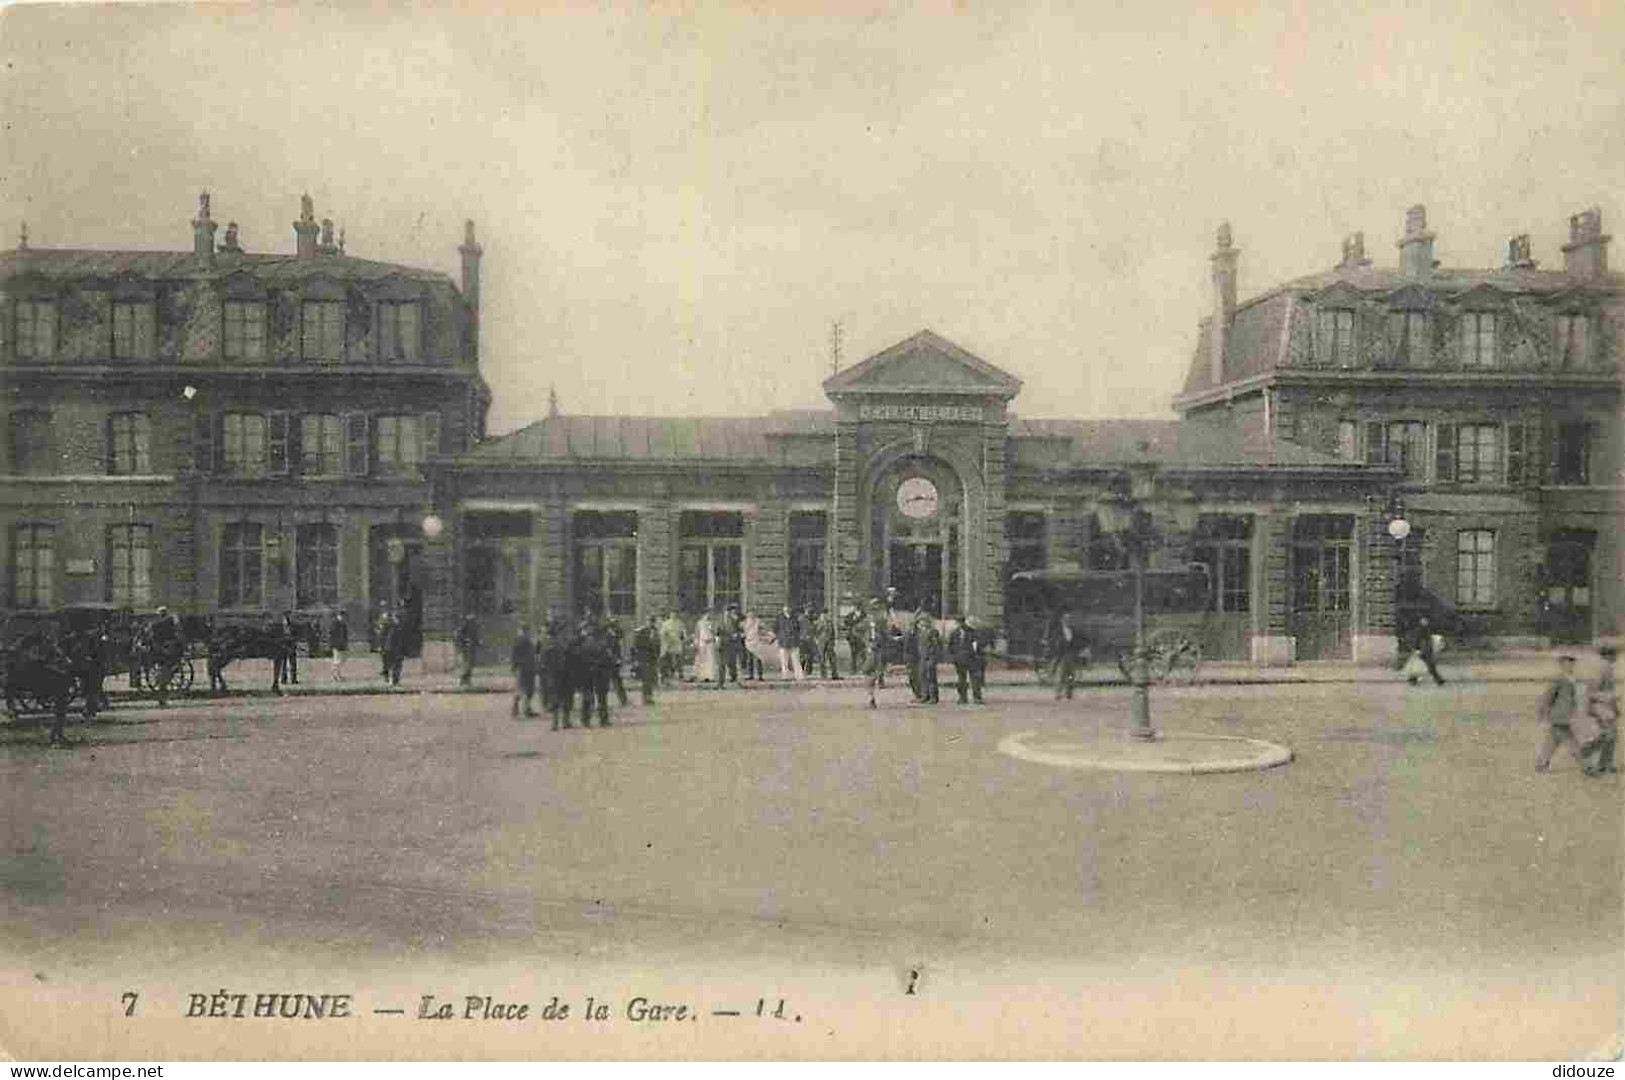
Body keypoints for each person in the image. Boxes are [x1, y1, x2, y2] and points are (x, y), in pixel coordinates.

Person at [1535, 654, 1587, 774]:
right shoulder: (1558, 679)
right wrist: (1542, 714)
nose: (1570, 665)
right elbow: (1547, 697)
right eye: (1567, 662)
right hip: (1559, 717)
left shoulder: (1572, 678)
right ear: (1562, 664)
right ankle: (1585, 765)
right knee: (1572, 742)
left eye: (1572, 662)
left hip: (1565, 716)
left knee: (1552, 742)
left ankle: (1541, 764)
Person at [1584, 646, 1618, 776]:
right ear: (1608, 655)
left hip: (1605, 707)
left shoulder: (1606, 667)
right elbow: (1591, 692)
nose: (1616, 657)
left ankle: (1604, 764)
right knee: (1609, 735)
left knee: (1610, 736)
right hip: (1601, 707)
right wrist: (1608, 697)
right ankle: (1592, 759)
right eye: (1614, 654)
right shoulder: (1602, 669)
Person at [949, 614, 987, 704]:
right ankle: (963, 698)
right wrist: (954, 657)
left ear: (963, 622)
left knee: (975, 680)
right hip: (959, 660)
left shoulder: (972, 632)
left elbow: (977, 645)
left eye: (960, 622)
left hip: (972, 659)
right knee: (961, 680)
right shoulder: (954, 633)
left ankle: (977, 698)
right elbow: (951, 646)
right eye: (958, 622)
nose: (959, 624)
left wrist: (976, 654)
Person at [1052, 611, 1087, 700]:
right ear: (1062, 620)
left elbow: (1080, 640)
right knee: (1061, 675)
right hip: (1062, 655)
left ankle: (1069, 694)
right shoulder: (1058, 631)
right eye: (1066, 619)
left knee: (1071, 676)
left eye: (1069, 619)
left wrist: (1079, 649)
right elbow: (1055, 642)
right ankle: (1058, 693)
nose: (1068, 621)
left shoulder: (1074, 630)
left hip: (1071, 655)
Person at [1407, 616, 1446, 686]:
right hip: (1423, 651)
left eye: (1426, 621)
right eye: (1424, 621)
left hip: (1426, 651)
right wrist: (1417, 649)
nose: (1426, 622)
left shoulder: (1426, 630)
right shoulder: (1420, 631)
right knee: (1424, 666)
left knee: (1427, 666)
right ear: (1421, 622)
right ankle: (1439, 680)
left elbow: (1428, 641)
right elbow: (1417, 640)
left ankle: (1439, 680)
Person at [632, 614, 662, 705]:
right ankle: (645, 698)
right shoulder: (641, 631)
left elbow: (658, 645)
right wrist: (636, 659)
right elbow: (637, 645)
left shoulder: (656, 631)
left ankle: (649, 697)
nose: (651, 623)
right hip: (644, 657)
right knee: (646, 679)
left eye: (653, 621)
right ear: (646, 621)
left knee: (651, 679)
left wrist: (657, 655)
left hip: (653, 658)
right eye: (650, 621)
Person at [864, 601, 889, 709]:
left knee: (877, 671)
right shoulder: (866, 621)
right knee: (869, 673)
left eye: (876, 610)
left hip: (879, 649)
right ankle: (871, 697)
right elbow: (858, 631)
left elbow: (885, 634)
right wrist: (866, 642)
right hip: (870, 650)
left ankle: (873, 691)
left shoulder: (881, 621)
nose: (874, 612)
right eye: (872, 609)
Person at [511, 622, 538, 717]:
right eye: (526, 630)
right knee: (523, 689)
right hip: (523, 668)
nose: (528, 632)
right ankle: (519, 709)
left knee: (526, 689)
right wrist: (516, 666)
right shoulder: (521, 640)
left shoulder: (526, 640)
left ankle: (525, 709)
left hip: (526, 668)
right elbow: (515, 655)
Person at [774, 604, 805, 681]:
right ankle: (785, 676)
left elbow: (798, 629)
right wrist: (778, 639)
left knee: (796, 660)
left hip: (793, 642)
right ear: (783, 609)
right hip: (783, 642)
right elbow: (775, 629)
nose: (787, 609)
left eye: (788, 608)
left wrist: (798, 638)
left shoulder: (794, 618)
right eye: (785, 608)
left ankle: (799, 676)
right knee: (784, 661)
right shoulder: (779, 618)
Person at [916, 614, 942, 704]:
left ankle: (933, 697)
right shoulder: (921, 632)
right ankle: (925, 696)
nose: (921, 623)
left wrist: (934, 657)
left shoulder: (933, 631)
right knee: (923, 677)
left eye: (922, 621)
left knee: (931, 677)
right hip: (923, 657)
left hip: (930, 657)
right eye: (920, 622)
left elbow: (936, 645)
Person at [604, 617, 630, 705]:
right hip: (609, 662)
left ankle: (623, 700)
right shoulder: (608, 636)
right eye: (615, 625)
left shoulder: (614, 636)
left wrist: (619, 659)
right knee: (612, 681)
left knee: (617, 681)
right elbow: (608, 649)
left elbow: (621, 637)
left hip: (613, 661)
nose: (617, 627)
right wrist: (616, 659)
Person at [694, 609, 719, 687]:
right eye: (706, 614)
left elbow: (716, 633)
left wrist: (715, 639)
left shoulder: (713, 623)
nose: (708, 616)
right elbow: (697, 633)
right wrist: (696, 643)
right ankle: (702, 676)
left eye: (710, 614)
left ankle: (710, 676)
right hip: (702, 643)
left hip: (710, 642)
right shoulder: (699, 623)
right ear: (703, 615)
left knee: (710, 660)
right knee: (702, 660)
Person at [455, 613, 481, 688]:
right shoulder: (463, 628)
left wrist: (478, 643)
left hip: (471, 649)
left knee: (471, 665)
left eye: (473, 621)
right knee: (466, 665)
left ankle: (467, 680)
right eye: (472, 621)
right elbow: (458, 636)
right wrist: (464, 641)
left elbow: (475, 638)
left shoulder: (474, 628)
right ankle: (463, 680)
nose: (473, 622)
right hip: (465, 649)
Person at [742, 609, 767, 681]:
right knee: (749, 659)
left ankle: (760, 675)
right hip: (748, 641)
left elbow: (763, 629)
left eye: (752, 614)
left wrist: (762, 633)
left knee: (758, 659)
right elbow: (743, 630)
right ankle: (750, 675)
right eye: (749, 614)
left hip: (757, 641)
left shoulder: (758, 621)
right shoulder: (745, 622)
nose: (750, 615)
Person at [329, 611, 349, 681]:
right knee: (337, 660)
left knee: (342, 660)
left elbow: (345, 635)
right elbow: (332, 634)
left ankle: (337, 675)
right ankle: (334, 675)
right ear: (339, 615)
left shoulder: (343, 623)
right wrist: (336, 644)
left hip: (342, 645)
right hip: (336, 645)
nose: (344, 618)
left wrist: (345, 643)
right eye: (343, 616)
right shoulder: (335, 623)